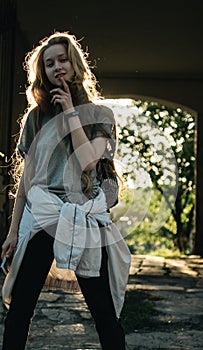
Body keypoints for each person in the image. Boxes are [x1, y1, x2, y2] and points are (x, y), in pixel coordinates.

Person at [1, 31, 131, 350]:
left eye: (62, 60)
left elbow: (87, 163)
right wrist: (13, 231)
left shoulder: (101, 115)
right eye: (48, 64)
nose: (57, 67)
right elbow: (28, 178)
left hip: (82, 218)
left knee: (103, 313)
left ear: (74, 64)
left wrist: (72, 112)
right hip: (42, 218)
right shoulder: (36, 118)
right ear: (41, 73)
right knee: (19, 313)